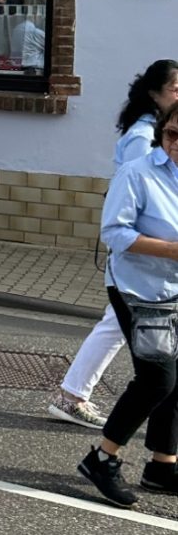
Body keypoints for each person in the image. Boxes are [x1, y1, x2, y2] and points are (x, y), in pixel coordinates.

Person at [50, 59, 178, 427]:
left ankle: (73, 394)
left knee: (116, 326)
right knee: (119, 331)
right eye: (175, 89)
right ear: (154, 93)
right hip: (141, 263)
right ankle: (75, 398)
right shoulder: (143, 136)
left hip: (153, 269)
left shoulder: (155, 128)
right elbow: (140, 192)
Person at [76, 115, 178, 507]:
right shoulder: (137, 172)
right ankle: (102, 459)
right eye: (172, 133)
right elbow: (114, 233)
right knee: (157, 379)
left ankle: (162, 465)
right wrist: (171, 250)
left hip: (173, 289)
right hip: (138, 289)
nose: (176, 143)